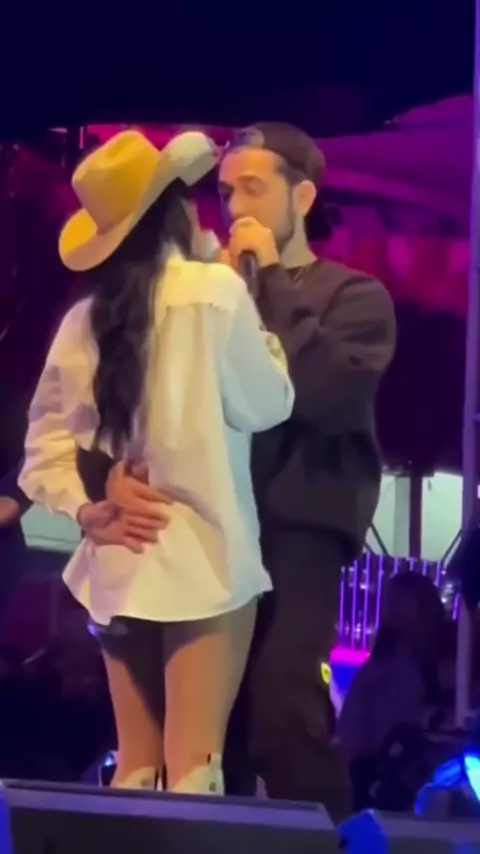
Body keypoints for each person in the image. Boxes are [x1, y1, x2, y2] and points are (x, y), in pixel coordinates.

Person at [77, 122, 397, 817]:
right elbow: (116, 398)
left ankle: (331, 837)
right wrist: (106, 478)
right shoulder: (195, 291)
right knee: (202, 739)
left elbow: (322, 394)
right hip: (207, 528)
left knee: (285, 712)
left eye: (254, 188)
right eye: (225, 192)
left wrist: (268, 280)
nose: (235, 206)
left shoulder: (354, 297)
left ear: (302, 197)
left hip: (296, 532)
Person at [18, 129, 294, 794]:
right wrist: (256, 297)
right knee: (195, 771)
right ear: (176, 211)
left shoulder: (84, 320)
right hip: (204, 559)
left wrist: (87, 509)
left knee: (135, 770)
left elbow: (41, 453)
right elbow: (269, 404)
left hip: (120, 562)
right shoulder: (214, 292)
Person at [338, 572, 449, 811]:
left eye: (400, 599)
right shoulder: (383, 661)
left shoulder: (444, 662)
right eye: (391, 600)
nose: (391, 607)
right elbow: (354, 722)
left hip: (423, 770)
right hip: (380, 770)